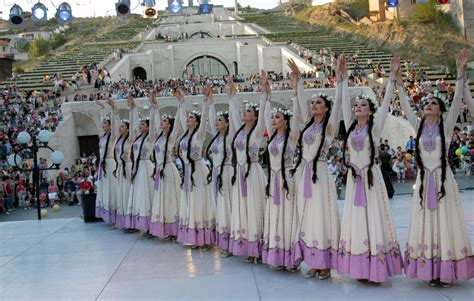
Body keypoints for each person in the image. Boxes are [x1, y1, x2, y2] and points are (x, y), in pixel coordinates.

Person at [397, 49, 474, 287]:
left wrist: (460, 74)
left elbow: (458, 97)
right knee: (426, 222)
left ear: (440, 108)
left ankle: (446, 269)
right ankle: (429, 268)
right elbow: (406, 106)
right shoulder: (417, 126)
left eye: (433, 102)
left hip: (443, 179)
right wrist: (398, 82)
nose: (428, 105)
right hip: (422, 180)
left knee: (444, 221)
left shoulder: (447, 125)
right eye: (426, 102)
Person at [337, 54, 403, 284]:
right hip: (355, 178)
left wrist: (392, 80)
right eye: (357, 105)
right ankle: (360, 266)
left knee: (373, 218)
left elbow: (385, 105)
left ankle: (376, 267)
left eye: (363, 104)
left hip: (371, 178)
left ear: (370, 110)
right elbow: (345, 104)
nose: (358, 107)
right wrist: (343, 78)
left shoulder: (374, 130)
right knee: (356, 219)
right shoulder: (352, 128)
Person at [289, 57, 344, 279]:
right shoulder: (308, 125)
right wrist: (298, 82)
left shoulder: (329, 128)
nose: (314, 105)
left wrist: (340, 81)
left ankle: (325, 263)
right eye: (313, 103)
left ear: (326, 107)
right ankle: (313, 260)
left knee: (322, 216)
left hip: (319, 175)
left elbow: (339, 106)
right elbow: (301, 105)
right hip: (304, 173)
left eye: (319, 103)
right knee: (308, 215)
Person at [260, 64, 300, 271]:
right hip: (272, 181)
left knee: (288, 217)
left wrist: (295, 91)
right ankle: (277, 254)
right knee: (275, 216)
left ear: (286, 120)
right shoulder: (272, 137)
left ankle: (291, 257)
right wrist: (267, 91)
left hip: (287, 182)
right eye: (273, 117)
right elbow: (265, 115)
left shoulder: (292, 138)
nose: (274, 120)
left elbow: (298, 115)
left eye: (278, 117)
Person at [229, 70, 269, 263]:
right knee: (243, 208)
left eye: (249, 112)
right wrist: (232, 94)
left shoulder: (257, 132)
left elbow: (263, 114)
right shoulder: (239, 131)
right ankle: (247, 245)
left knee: (255, 208)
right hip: (240, 174)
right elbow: (234, 112)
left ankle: (258, 247)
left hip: (253, 173)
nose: (245, 113)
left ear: (254, 117)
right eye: (245, 111)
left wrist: (264, 91)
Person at [176, 85, 215, 249]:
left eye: (191, 118)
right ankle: (193, 235)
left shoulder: (200, 134)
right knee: (190, 201)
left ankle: (204, 237)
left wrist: (205, 100)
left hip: (198, 171)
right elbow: (181, 116)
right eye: (188, 117)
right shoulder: (185, 135)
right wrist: (181, 103)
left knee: (199, 201)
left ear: (197, 122)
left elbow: (205, 117)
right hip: (186, 171)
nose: (188, 119)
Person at [207, 77, 237, 257]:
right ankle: (222, 240)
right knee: (219, 206)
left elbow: (234, 115)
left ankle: (231, 242)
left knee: (228, 206)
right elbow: (210, 119)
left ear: (227, 123)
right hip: (217, 173)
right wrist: (210, 102)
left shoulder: (231, 136)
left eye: (220, 120)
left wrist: (231, 96)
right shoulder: (216, 138)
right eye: (216, 120)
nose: (217, 122)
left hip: (227, 172)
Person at [149, 91, 184, 239]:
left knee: (170, 198)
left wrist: (180, 105)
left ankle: (174, 229)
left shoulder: (170, 138)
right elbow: (155, 123)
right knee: (162, 198)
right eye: (161, 121)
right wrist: (155, 107)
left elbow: (176, 125)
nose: (162, 123)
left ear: (168, 124)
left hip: (168, 169)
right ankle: (165, 228)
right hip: (159, 170)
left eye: (164, 121)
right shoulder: (159, 137)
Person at [125, 95, 157, 234]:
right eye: (141, 124)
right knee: (139, 195)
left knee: (147, 195)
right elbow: (133, 124)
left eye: (143, 124)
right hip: (138, 169)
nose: (140, 126)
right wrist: (133, 108)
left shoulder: (150, 138)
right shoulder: (137, 139)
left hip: (146, 167)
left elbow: (154, 124)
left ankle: (151, 225)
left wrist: (153, 107)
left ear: (149, 127)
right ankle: (141, 224)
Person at [109, 98, 133, 230]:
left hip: (127, 168)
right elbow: (114, 126)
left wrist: (132, 109)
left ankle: (130, 221)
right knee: (121, 194)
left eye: (123, 126)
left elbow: (133, 124)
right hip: (120, 169)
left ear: (128, 129)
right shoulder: (118, 140)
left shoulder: (129, 140)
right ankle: (122, 220)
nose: (120, 128)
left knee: (127, 193)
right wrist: (114, 110)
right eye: (120, 126)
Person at [95, 99, 118, 223]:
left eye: (105, 123)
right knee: (105, 188)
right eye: (102, 123)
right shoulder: (102, 137)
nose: (103, 125)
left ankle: (115, 217)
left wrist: (113, 109)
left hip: (110, 163)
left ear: (109, 125)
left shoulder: (113, 136)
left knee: (111, 189)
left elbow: (114, 125)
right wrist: (102, 108)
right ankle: (108, 216)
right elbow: (102, 119)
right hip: (103, 165)